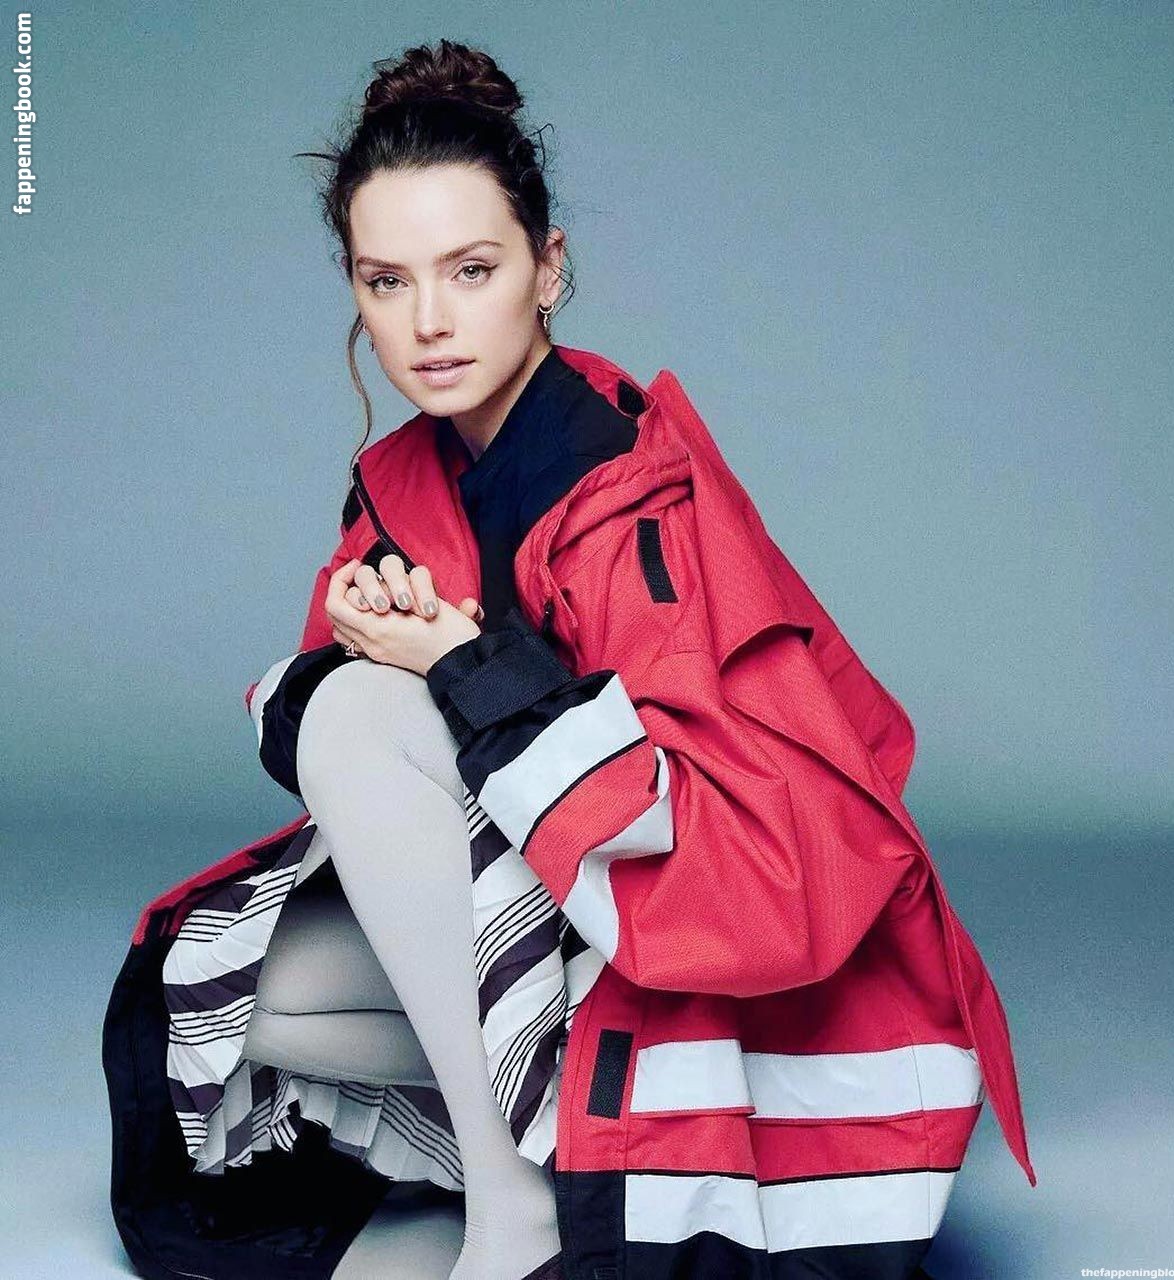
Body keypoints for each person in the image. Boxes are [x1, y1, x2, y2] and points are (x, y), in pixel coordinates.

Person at [103, 37, 1035, 1280]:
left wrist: (460, 665)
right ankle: (531, 1172)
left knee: (359, 717)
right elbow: (348, 773)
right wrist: (375, 649)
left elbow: (749, 873)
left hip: (724, 958)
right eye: (387, 281)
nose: (428, 323)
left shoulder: (629, 492)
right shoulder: (401, 480)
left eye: (471, 269)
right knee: (243, 991)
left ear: (548, 268)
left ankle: (517, 1209)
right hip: (565, 920)